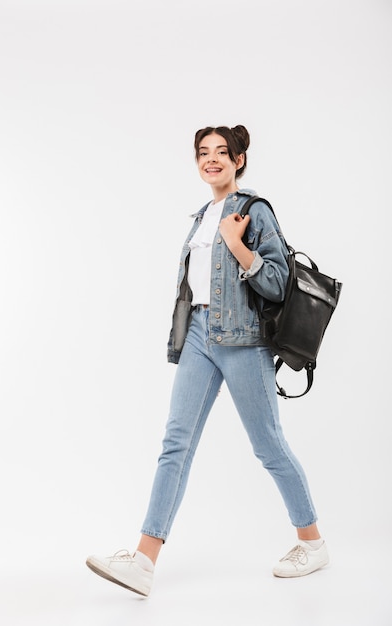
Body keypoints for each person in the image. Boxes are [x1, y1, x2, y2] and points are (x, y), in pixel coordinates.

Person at [86, 125, 329, 597]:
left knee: (269, 446)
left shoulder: (253, 211)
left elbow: (278, 284)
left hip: (242, 341)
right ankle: (143, 560)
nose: (211, 160)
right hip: (199, 335)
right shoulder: (201, 216)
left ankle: (312, 542)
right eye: (204, 153)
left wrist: (238, 245)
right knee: (174, 444)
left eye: (222, 152)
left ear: (239, 160)